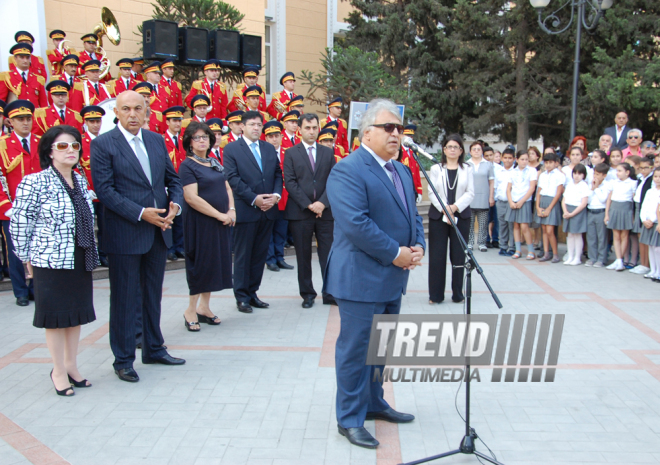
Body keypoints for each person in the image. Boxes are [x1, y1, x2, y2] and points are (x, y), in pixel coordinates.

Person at [325, 99, 424, 449]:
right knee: (355, 349)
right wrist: (396, 253)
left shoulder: (400, 169)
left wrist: (419, 245)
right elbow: (355, 224)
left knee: (381, 348)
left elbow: (413, 214)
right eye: (388, 127)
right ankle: (349, 418)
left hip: (392, 277)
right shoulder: (348, 169)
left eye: (399, 128)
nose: (397, 133)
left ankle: (374, 403)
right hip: (360, 277)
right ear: (366, 132)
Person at [90, 91, 185, 383]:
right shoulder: (103, 144)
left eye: (138, 109)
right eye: (126, 109)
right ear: (116, 113)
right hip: (125, 234)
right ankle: (123, 359)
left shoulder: (156, 141)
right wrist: (141, 212)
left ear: (147, 112)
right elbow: (105, 192)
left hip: (158, 233)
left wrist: (175, 206)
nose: (133, 114)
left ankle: (154, 348)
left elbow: (173, 180)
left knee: (152, 295)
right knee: (124, 298)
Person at [10, 125, 98, 397]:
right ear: (49, 152)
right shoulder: (34, 182)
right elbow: (20, 223)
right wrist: (25, 257)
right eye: (62, 146)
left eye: (74, 145)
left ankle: (71, 365)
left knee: (75, 315)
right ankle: (58, 369)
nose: (71, 150)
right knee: (56, 317)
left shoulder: (80, 180)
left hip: (80, 255)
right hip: (50, 259)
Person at [223, 111, 283, 314]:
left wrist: (275, 195)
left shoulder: (268, 148)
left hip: (268, 210)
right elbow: (232, 178)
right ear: (242, 127)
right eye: (252, 124)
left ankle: (253, 292)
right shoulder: (231, 149)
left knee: (259, 255)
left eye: (259, 124)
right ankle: (241, 296)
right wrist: (254, 199)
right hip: (246, 209)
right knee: (243, 255)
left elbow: (277, 173)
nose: (256, 128)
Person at [179, 121, 235, 331]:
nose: (201, 141)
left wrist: (231, 210)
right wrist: (219, 214)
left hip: (219, 222)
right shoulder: (187, 165)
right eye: (197, 138)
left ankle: (204, 307)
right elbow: (191, 198)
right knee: (200, 266)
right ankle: (190, 310)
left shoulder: (214, 161)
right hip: (200, 223)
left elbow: (227, 187)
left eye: (205, 137)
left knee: (213, 265)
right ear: (189, 142)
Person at [283, 113, 336, 308]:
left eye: (314, 128)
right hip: (300, 213)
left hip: (326, 213)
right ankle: (307, 294)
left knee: (328, 254)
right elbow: (290, 182)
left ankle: (330, 292)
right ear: (300, 129)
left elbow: (334, 181)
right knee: (303, 255)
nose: (311, 131)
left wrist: (322, 203)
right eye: (307, 128)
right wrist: (309, 205)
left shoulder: (327, 152)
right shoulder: (291, 153)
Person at [0, 100, 41, 306]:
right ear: (10, 122)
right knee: (16, 252)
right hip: (13, 208)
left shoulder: (42, 142)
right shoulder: (2, 145)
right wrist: (6, 206)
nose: (25, 123)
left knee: (38, 249)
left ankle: (35, 288)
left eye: (28, 119)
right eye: (19, 119)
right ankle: (20, 291)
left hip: (39, 207)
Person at [428, 134, 474, 304]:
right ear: (444, 149)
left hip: (460, 216)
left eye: (456, 147)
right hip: (438, 216)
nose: (452, 150)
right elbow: (432, 192)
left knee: (458, 256)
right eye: (449, 146)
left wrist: (454, 208)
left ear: (461, 150)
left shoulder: (467, 169)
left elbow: (470, 192)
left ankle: (457, 293)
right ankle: (436, 295)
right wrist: (444, 209)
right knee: (437, 256)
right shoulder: (436, 169)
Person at [79, 105, 108, 267]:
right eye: (91, 121)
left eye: (97, 121)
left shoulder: (105, 140)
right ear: (85, 123)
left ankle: (103, 254)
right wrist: (85, 188)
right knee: (88, 228)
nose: (95, 124)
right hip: (88, 192)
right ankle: (91, 256)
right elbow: (76, 167)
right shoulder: (80, 142)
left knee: (105, 227)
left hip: (103, 192)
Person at [263, 120, 293, 273]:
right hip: (269, 198)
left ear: (281, 137)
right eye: (270, 136)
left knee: (281, 230)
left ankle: (280, 257)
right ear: (266, 138)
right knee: (268, 231)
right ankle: (270, 260)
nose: (274, 139)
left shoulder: (288, 153)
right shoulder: (263, 153)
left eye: (276, 136)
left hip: (285, 198)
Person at [163, 106, 187, 261]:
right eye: (174, 121)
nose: (177, 124)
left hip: (181, 183)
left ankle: (180, 247)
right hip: (167, 184)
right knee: (168, 216)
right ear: (167, 122)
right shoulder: (161, 139)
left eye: (179, 120)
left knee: (180, 218)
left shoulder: (183, 140)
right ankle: (169, 248)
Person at [507, 150, 538, 260]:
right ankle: (518, 250)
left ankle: (531, 250)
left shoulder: (532, 171)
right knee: (515, 226)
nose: (524, 161)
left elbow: (532, 188)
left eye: (526, 159)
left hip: (524, 201)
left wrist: (521, 202)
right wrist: (511, 201)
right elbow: (508, 188)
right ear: (517, 160)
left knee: (524, 226)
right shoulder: (513, 172)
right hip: (514, 201)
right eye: (522, 159)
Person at [605, 162, 636, 271]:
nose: (617, 173)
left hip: (626, 209)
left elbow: (633, 200)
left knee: (624, 236)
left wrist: (632, 215)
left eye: (620, 171)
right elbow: (609, 199)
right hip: (615, 208)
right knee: (616, 236)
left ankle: (620, 260)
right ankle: (618, 260)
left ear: (627, 172)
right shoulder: (613, 182)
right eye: (617, 170)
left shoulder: (632, 183)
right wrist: (607, 214)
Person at [535, 152, 564, 262]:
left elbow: (558, 193)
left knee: (550, 230)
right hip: (543, 201)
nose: (548, 165)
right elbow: (539, 192)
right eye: (546, 162)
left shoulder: (559, 175)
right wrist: (538, 207)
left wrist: (549, 208)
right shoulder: (542, 175)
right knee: (544, 230)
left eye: (551, 162)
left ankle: (555, 254)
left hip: (552, 203)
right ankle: (546, 253)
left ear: (556, 163)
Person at [0, 44, 48, 108]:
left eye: (27, 57)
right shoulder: (6, 77)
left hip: (33, 116)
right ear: (15, 58)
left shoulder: (38, 79)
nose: (25, 60)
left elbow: (43, 105)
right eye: (22, 57)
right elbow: (1, 102)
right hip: (14, 116)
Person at [466, 141, 494, 252]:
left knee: (483, 222)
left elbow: (491, 182)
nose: (476, 151)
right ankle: (469, 242)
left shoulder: (488, 164)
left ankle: (482, 243)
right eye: (474, 149)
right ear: (470, 152)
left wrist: (491, 196)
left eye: (479, 149)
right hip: (470, 197)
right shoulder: (466, 164)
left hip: (484, 196)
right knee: (470, 222)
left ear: (482, 151)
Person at [629, 157, 654, 275]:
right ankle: (642, 263)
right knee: (640, 237)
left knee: (645, 239)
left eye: (646, 168)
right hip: (639, 208)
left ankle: (646, 264)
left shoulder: (652, 181)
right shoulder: (640, 179)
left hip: (647, 211)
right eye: (641, 168)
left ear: (652, 168)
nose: (643, 170)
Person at [561, 164, 590, 265]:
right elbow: (564, 200)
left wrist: (572, 213)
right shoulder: (569, 184)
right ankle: (570, 256)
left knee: (577, 235)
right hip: (568, 210)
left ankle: (577, 257)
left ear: (584, 175)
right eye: (575, 173)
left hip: (577, 211)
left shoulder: (584, 186)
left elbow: (583, 203)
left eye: (579, 173)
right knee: (570, 235)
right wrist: (565, 211)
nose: (576, 176)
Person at [587, 163, 613, 268]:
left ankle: (601, 258)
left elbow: (603, 199)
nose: (595, 177)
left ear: (604, 175)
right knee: (591, 236)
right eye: (594, 174)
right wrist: (592, 188)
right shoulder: (591, 184)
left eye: (598, 174)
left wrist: (596, 188)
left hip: (601, 211)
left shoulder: (607, 185)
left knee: (601, 237)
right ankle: (592, 257)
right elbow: (588, 200)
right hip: (591, 211)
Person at [494, 148, 516, 256]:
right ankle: (503, 246)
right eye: (505, 158)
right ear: (502, 158)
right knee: (502, 224)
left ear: (514, 159)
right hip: (501, 201)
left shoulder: (516, 172)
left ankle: (512, 247)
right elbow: (496, 186)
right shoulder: (498, 171)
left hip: (511, 202)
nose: (507, 160)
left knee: (511, 225)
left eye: (510, 158)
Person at [639, 169, 660, 280]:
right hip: (647, 222)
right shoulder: (650, 191)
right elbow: (644, 206)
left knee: (657, 248)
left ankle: (658, 271)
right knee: (651, 247)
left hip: (656, 223)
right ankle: (653, 270)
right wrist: (644, 220)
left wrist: (652, 220)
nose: (657, 179)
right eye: (655, 176)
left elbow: (658, 209)